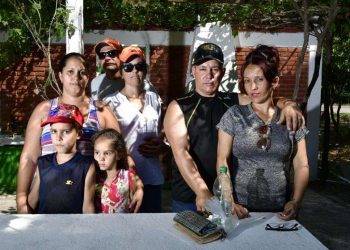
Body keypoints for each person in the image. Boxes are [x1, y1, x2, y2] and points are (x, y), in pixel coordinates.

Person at [164, 43, 305, 212]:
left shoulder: (233, 101)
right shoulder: (179, 107)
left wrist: (289, 105)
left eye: (214, 69)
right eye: (202, 69)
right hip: (191, 197)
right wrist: (202, 192)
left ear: (222, 72)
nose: (209, 75)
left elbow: (265, 98)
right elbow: (181, 154)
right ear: (193, 71)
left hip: (229, 196)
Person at [16, 52, 121, 213]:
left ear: (88, 76)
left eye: (82, 72)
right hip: (48, 199)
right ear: (60, 76)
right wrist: (21, 199)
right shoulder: (44, 110)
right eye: (70, 72)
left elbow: (121, 151)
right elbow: (29, 157)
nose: (76, 77)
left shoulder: (101, 110)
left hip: (91, 200)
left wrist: (133, 181)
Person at [216, 45, 309, 221]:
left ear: (274, 81)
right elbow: (222, 161)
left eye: (259, 79)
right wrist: (228, 200)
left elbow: (301, 164)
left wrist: (295, 202)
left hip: (280, 211)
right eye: (247, 80)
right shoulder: (234, 115)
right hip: (240, 210)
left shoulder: (291, 118)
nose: (253, 87)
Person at [104, 45, 167, 213]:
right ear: (121, 72)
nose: (134, 71)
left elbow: (163, 131)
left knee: (153, 231)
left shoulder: (155, 98)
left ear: (145, 70)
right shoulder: (111, 102)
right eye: (128, 67)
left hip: (153, 177)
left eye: (139, 66)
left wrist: (163, 144)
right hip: (125, 179)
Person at [28, 104, 95, 213]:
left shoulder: (86, 165)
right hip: (44, 226)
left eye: (66, 132)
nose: (58, 138)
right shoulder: (43, 163)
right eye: (54, 131)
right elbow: (33, 198)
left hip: (73, 227)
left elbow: (88, 206)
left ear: (79, 133)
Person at [93, 128, 144, 213]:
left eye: (107, 153)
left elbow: (134, 207)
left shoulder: (127, 177)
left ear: (118, 155)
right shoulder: (93, 178)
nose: (101, 158)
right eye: (97, 152)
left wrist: (140, 190)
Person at [91, 38, 156, 100]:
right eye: (102, 55)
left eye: (112, 53)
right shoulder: (94, 83)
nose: (107, 58)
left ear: (121, 55)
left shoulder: (139, 82)